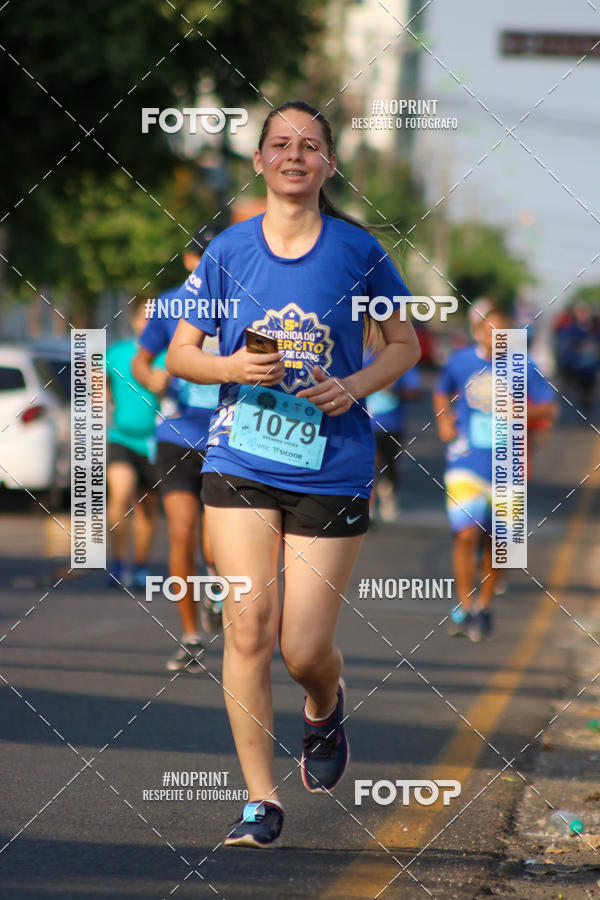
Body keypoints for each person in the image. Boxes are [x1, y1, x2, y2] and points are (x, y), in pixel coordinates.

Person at [166, 100, 421, 848]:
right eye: (280, 143)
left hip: (332, 461)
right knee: (248, 625)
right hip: (239, 456)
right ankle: (259, 800)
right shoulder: (228, 251)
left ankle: (323, 703)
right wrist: (231, 365)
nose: (294, 155)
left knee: (303, 648)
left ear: (328, 165)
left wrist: (354, 386)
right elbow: (182, 354)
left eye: (310, 145)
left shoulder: (358, 252)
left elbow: (403, 344)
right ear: (260, 161)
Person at [433, 301, 557, 642]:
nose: (494, 338)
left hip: (507, 466)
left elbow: (550, 407)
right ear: (477, 332)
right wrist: (444, 422)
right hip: (466, 462)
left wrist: (522, 413)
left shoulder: (524, 367)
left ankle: (484, 607)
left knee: (498, 541)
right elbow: (441, 391)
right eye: (488, 331)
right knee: (465, 533)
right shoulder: (460, 361)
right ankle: (464, 603)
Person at [131, 229, 223, 673]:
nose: (210, 263)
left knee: (217, 546)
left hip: (228, 436)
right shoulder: (168, 304)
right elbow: (141, 359)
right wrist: (151, 379)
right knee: (183, 533)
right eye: (203, 256)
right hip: (176, 433)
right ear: (190, 260)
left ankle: (219, 594)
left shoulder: (243, 300)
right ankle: (190, 635)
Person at [106, 298, 170, 587]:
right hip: (122, 437)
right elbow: (96, 382)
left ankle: (140, 566)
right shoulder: (116, 352)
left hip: (155, 441)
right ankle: (118, 564)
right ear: (133, 321)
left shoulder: (169, 356)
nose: (148, 323)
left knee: (147, 506)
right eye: (144, 317)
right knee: (120, 492)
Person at [364, 338, 421, 521]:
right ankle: (369, 509)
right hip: (368, 424)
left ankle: (389, 491)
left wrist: (394, 391)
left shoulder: (401, 361)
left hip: (392, 425)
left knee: (392, 466)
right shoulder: (363, 360)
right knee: (371, 465)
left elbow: (415, 392)